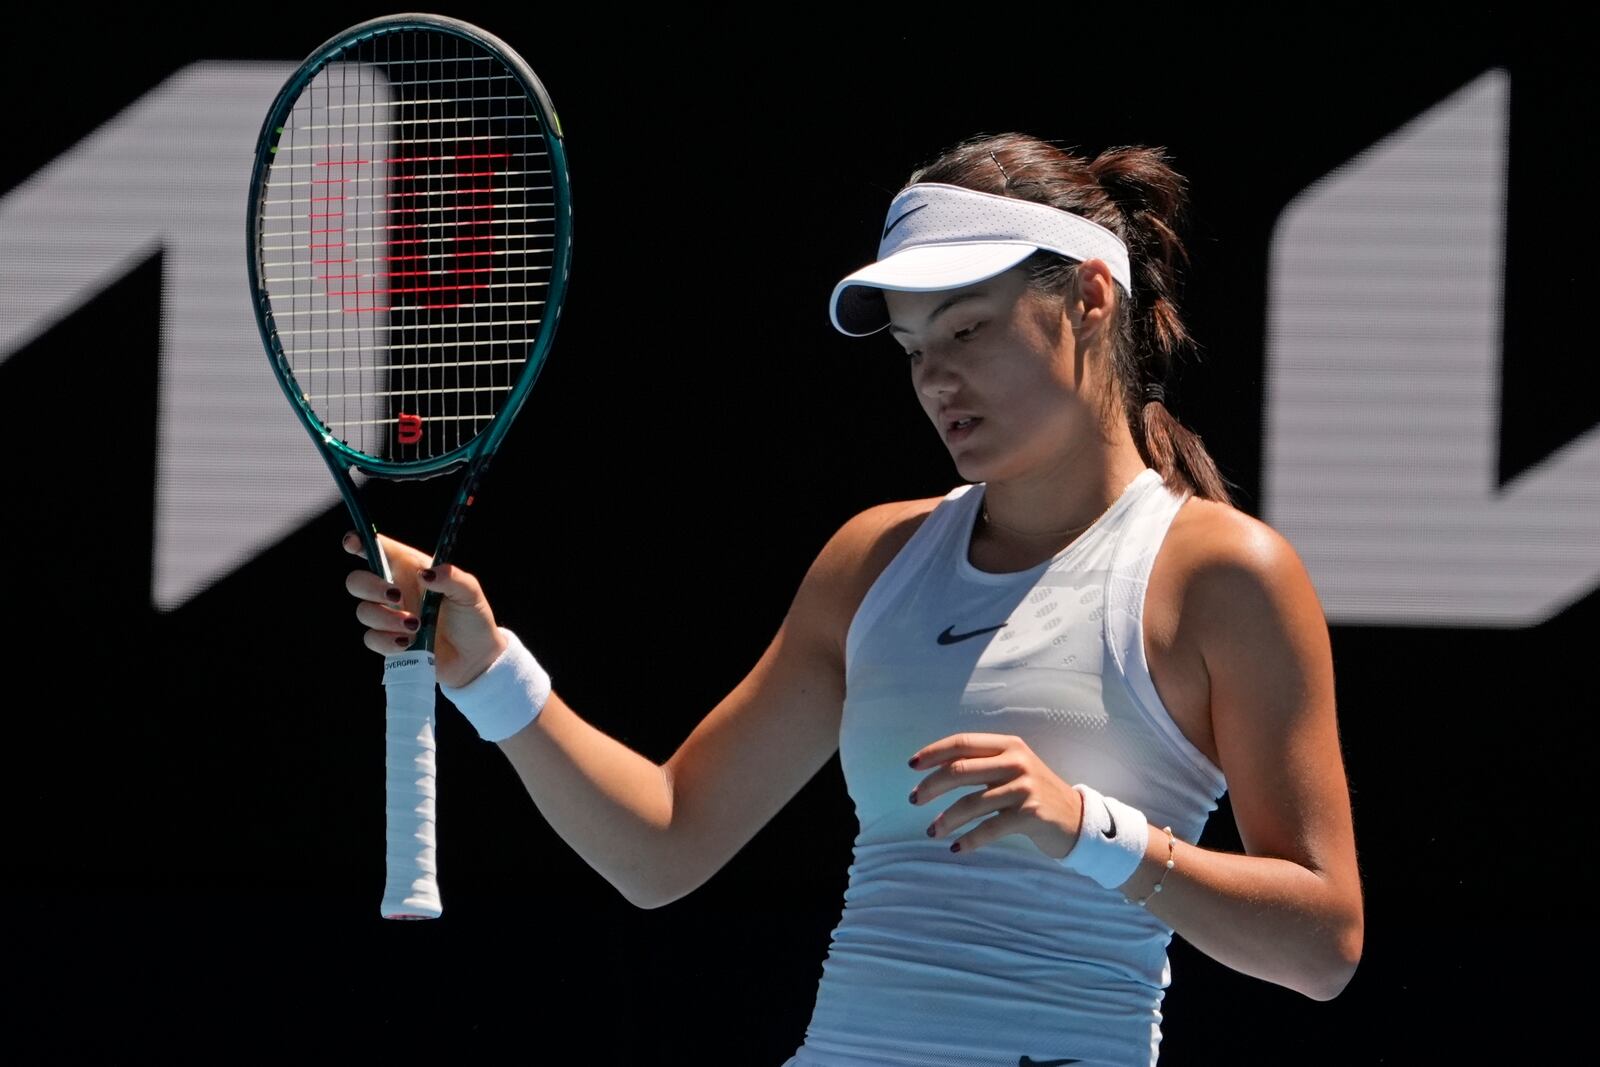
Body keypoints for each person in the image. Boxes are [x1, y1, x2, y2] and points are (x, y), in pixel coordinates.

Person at [342, 132, 1363, 1066]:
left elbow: (1322, 944)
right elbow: (663, 842)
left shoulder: (1225, 574)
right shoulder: (874, 559)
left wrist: (1091, 828)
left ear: (1091, 298)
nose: (938, 381)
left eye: (968, 328)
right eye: (915, 349)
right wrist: (485, 670)